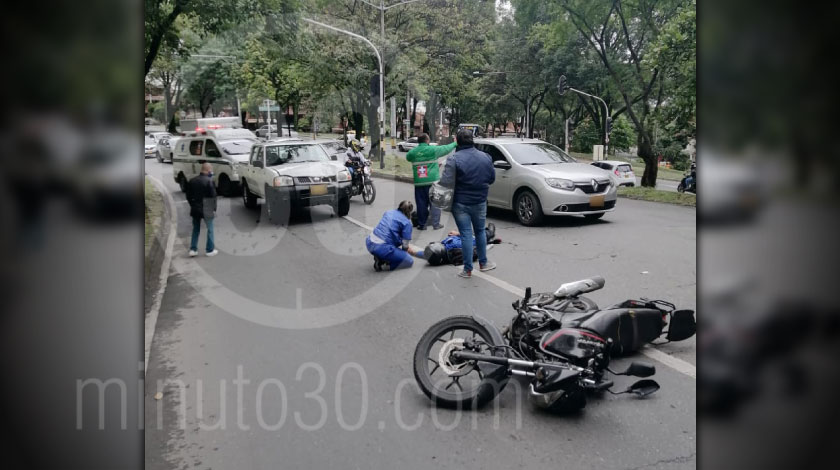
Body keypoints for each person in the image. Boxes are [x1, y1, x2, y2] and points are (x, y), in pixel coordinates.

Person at [439, 129, 496, 278]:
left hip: (460, 203)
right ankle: (483, 263)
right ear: (473, 140)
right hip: (480, 201)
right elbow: (491, 178)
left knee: (465, 234)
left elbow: (446, 182)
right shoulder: (486, 157)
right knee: (479, 232)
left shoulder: (454, 159)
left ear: (457, 141)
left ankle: (467, 269)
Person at [406, 133, 457, 230]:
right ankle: (436, 224)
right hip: (433, 181)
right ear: (427, 140)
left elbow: (408, 157)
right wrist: (455, 143)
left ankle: (422, 224)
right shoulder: (433, 150)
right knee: (435, 203)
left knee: (421, 204)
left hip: (419, 182)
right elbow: (446, 148)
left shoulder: (412, 152)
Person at [366, 201, 424, 271]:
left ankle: (381, 256)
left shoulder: (389, 212)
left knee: (393, 242)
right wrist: (404, 254)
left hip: (370, 242)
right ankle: (384, 262)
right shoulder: (407, 223)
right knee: (409, 260)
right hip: (382, 247)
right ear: (409, 212)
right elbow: (405, 245)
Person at [186, 162, 218, 257]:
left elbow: (188, 196)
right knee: (210, 229)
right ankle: (209, 250)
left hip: (195, 208)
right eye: (211, 170)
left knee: (196, 229)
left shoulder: (192, 181)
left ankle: (193, 249)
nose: (211, 172)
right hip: (207, 209)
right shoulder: (209, 181)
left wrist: (192, 205)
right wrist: (214, 208)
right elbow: (213, 196)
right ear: (208, 170)